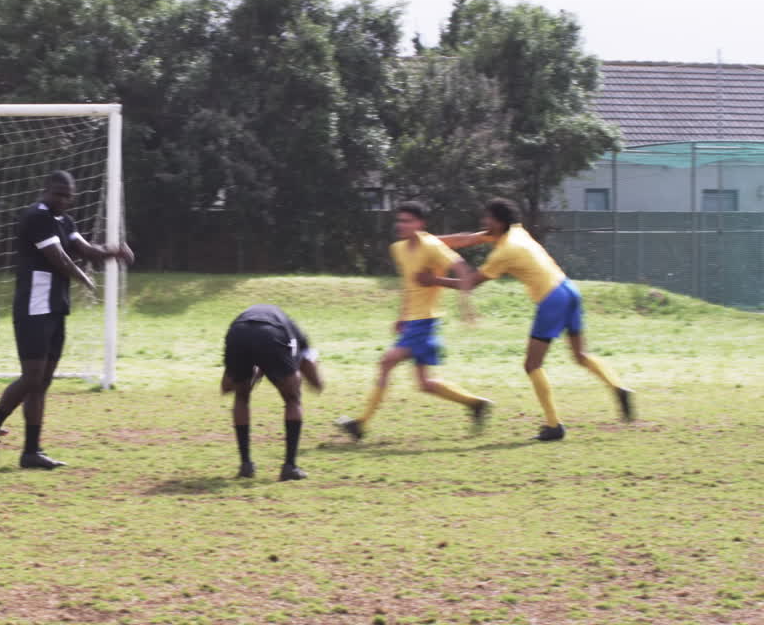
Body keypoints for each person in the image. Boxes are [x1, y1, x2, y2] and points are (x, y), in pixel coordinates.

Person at [421, 198, 634, 441]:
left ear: (499, 222)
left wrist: (434, 281)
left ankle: (554, 425)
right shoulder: (517, 232)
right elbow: (469, 238)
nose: (484, 222)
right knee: (580, 355)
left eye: (487, 218)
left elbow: (470, 283)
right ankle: (618, 387)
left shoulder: (504, 252)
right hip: (570, 290)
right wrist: (428, 241)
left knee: (532, 365)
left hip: (552, 300)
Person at [0, 170, 134, 469]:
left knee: (43, 382)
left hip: (56, 307)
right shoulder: (36, 217)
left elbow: (86, 250)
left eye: (68, 196)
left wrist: (114, 252)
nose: (62, 200)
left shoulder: (66, 221)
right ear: (46, 190)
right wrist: (84, 279)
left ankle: (31, 451)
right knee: (31, 377)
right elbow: (58, 257)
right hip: (33, 308)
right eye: (58, 194)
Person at [339, 202, 492, 442]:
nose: (401, 225)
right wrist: (402, 315)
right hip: (414, 322)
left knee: (387, 362)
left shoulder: (431, 246)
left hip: (426, 322)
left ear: (420, 224)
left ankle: (361, 424)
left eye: (408, 220)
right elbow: (408, 284)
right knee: (424, 383)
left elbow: (461, 267)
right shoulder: (398, 248)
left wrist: (465, 303)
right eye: (399, 220)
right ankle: (476, 404)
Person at [222, 304, 323, 481]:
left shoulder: (256, 320)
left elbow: (225, 387)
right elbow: (315, 382)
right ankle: (289, 467)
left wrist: (253, 376)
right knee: (293, 398)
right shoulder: (298, 335)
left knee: (241, 397)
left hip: (237, 332)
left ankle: (246, 465)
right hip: (271, 334)